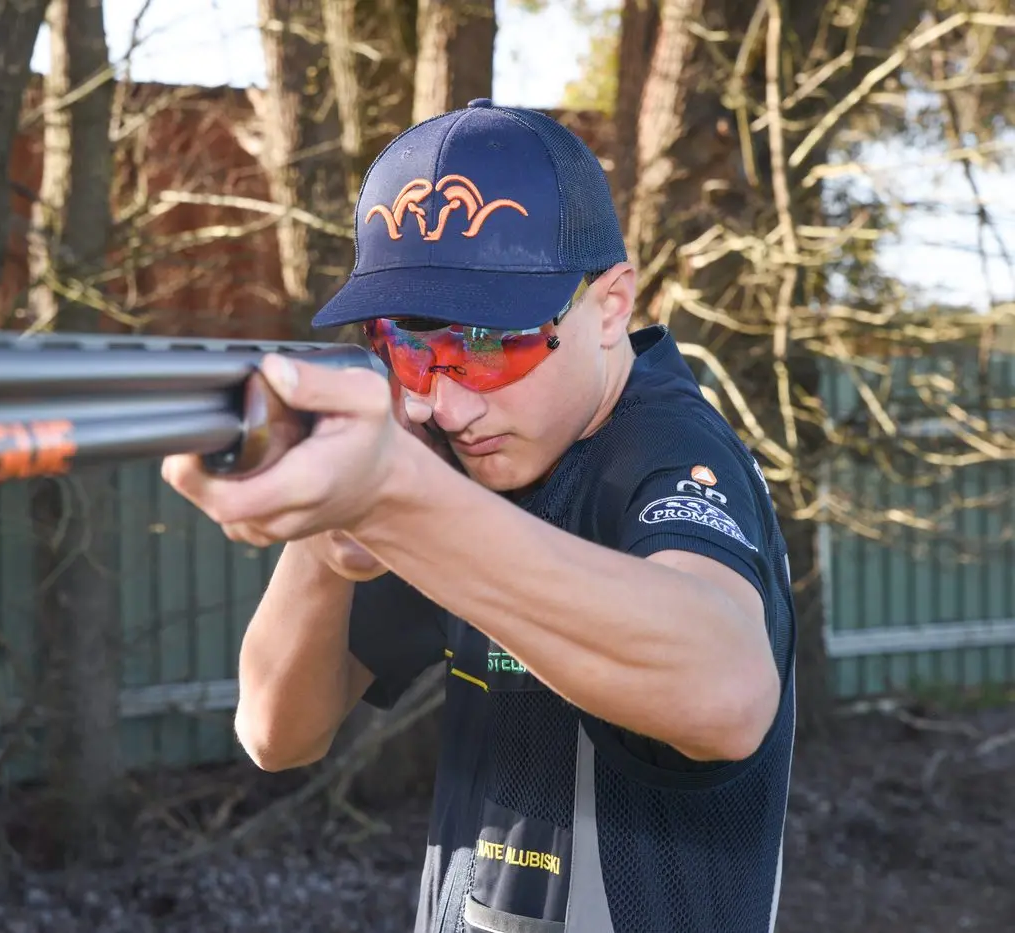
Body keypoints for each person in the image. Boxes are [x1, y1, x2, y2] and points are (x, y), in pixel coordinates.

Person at [161, 98, 797, 933]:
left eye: (490, 344)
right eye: (407, 345)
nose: (439, 403)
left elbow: (728, 691)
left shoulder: (667, 452)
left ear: (609, 305)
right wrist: (328, 542)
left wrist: (402, 498)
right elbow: (278, 731)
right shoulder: (458, 458)